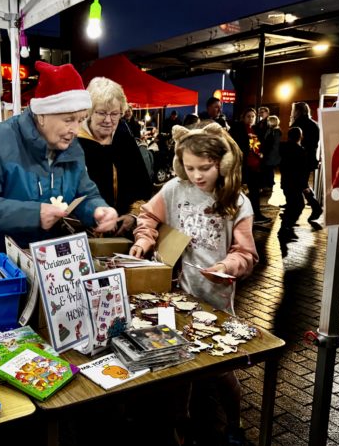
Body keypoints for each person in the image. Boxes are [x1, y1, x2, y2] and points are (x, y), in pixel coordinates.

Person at [129, 121, 258, 445]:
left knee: (221, 370)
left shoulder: (239, 203)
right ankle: (179, 426)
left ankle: (233, 423)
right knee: (179, 365)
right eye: (189, 168)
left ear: (223, 163)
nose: (197, 176)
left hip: (217, 298)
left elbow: (246, 254)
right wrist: (144, 240)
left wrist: (227, 265)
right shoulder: (175, 189)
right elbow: (148, 216)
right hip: (177, 293)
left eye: (205, 168)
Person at [0, 61, 118, 255]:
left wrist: (98, 210)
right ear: (42, 115)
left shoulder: (72, 149)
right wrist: (34, 214)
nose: (75, 130)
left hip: (33, 256)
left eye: (80, 120)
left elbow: (84, 193)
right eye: (68, 120)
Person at [77, 77, 153, 236]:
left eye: (114, 114)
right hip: (83, 232)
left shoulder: (124, 138)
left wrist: (133, 216)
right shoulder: (74, 142)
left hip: (122, 232)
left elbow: (142, 184)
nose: (108, 120)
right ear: (89, 112)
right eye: (101, 113)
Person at [229, 107, 270, 224]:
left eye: (253, 116)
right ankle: (238, 215)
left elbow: (259, 145)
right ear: (243, 117)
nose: (251, 119)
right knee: (240, 191)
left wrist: (261, 153)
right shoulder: (238, 128)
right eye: (248, 116)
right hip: (243, 165)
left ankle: (256, 215)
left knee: (255, 191)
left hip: (255, 165)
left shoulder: (256, 129)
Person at [290, 102, 322, 221]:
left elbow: (294, 142)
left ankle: (315, 207)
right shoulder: (314, 124)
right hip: (309, 158)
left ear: (297, 111)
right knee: (302, 183)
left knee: (300, 183)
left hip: (299, 158)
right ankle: (313, 207)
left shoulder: (298, 124)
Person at [278, 127, 308, 240]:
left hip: (286, 181)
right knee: (298, 205)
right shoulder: (301, 151)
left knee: (292, 204)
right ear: (300, 136)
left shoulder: (283, 147)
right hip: (296, 183)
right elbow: (303, 170)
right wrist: (304, 186)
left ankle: (286, 226)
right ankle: (286, 226)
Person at [261, 114, 282, 190]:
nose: (267, 122)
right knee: (268, 169)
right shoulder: (272, 130)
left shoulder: (275, 131)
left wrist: (266, 152)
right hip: (270, 153)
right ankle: (268, 184)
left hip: (272, 154)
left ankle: (269, 185)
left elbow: (272, 144)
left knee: (269, 170)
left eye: (268, 121)